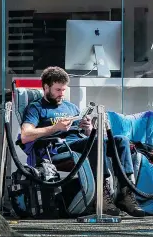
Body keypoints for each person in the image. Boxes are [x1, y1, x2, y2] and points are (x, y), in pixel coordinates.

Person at [20, 66, 145, 217]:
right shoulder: (36, 108)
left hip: (81, 143)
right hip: (59, 148)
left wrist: (88, 128)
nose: (62, 94)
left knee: (122, 141)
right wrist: (55, 127)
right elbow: (25, 135)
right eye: (58, 90)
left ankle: (126, 194)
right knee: (96, 143)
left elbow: (86, 134)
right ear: (46, 87)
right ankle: (101, 194)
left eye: (64, 90)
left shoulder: (71, 107)